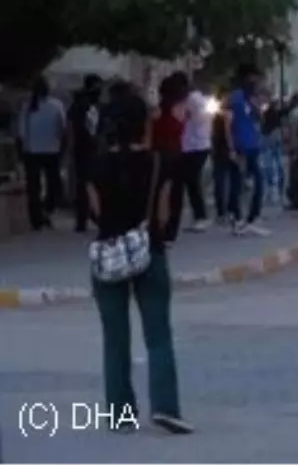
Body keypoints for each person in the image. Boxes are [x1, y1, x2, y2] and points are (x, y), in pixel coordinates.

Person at [88, 81, 192, 434]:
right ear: (141, 123)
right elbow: (163, 216)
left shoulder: (95, 164)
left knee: (115, 338)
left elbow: (96, 213)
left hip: (107, 255)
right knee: (158, 333)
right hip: (149, 251)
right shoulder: (161, 163)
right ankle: (165, 407)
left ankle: (120, 412)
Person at [224, 65, 268, 236]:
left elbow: (259, 119)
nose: (257, 85)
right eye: (254, 81)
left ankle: (251, 217)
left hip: (253, 145)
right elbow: (227, 125)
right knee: (239, 183)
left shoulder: (252, 99)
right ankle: (237, 218)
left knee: (257, 182)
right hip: (240, 146)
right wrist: (231, 148)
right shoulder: (235, 98)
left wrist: (257, 106)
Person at [17, 76, 65, 231]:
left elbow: (21, 132)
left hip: (32, 151)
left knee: (33, 187)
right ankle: (47, 209)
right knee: (53, 185)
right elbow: (62, 128)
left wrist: (22, 150)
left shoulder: (27, 107)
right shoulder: (56, 105)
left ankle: (36, 218)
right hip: (52, 150)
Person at [153, 72, 189, 245]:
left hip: (159, 153)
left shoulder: (157, 110)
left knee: (160, 191)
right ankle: (170, 230)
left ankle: (159, 227)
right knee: (174, 194)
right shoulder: (179, 109)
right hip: (175, 152)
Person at [67, 74, 104, 233]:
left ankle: (85, 218)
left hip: (85, 149)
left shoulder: (79, 105)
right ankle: (92, 216)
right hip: (89, 149)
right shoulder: (89, 105)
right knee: (90, 183)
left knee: (84, 183)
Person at [180, 80, 213, 232]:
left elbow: (185, 119)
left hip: (193, 145)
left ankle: (201, 216)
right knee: (192, 180)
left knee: (192, 180)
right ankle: (199, 215)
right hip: (200, 144)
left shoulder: (191, 100)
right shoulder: (201, 100)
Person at [259, 99, 287, 208]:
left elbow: (262, 126)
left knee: (268, 164)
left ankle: (270, 186)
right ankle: (280, 188)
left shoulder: (265, 115)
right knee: (279, 164)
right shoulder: (279, 115)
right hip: (276, 138)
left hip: (267, 138)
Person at [209, 94, 232, 227]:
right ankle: (226, 210)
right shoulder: (227, 115)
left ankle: (221, 212)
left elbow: (213, 134)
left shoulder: (218, 116)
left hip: (220, 150)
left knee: (220, 181)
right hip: (223, 151)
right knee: (225, 181)